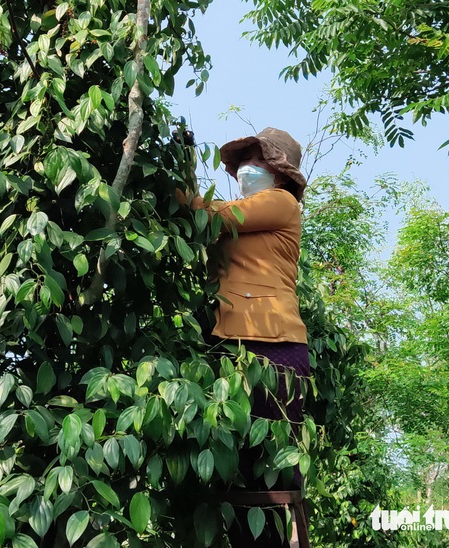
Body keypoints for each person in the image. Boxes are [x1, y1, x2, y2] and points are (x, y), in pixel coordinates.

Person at [176, 127, 310, 546]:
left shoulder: (281, 203)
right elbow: (199, 220)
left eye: (259, 160)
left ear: (280, 172)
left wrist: (180, 175)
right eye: (246, 159)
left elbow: (208, 215)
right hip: (231, 346)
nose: (248, 168)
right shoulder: (246, 211)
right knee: (237, 472)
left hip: (274, 347)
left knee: (270, 474)